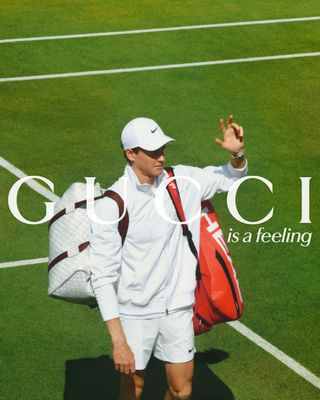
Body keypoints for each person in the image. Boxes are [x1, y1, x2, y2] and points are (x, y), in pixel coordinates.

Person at [90, 115, 247, 400]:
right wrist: (118, 341)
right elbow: (102, 277)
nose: (161, 156)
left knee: (181, 391)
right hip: (135, 312)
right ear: (130, 154)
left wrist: (237, 153)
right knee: (133, 389)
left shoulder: (182, 182)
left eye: (163, 148)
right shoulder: (112, 204)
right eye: (152, 152)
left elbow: (230, 177)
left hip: (177, 307)